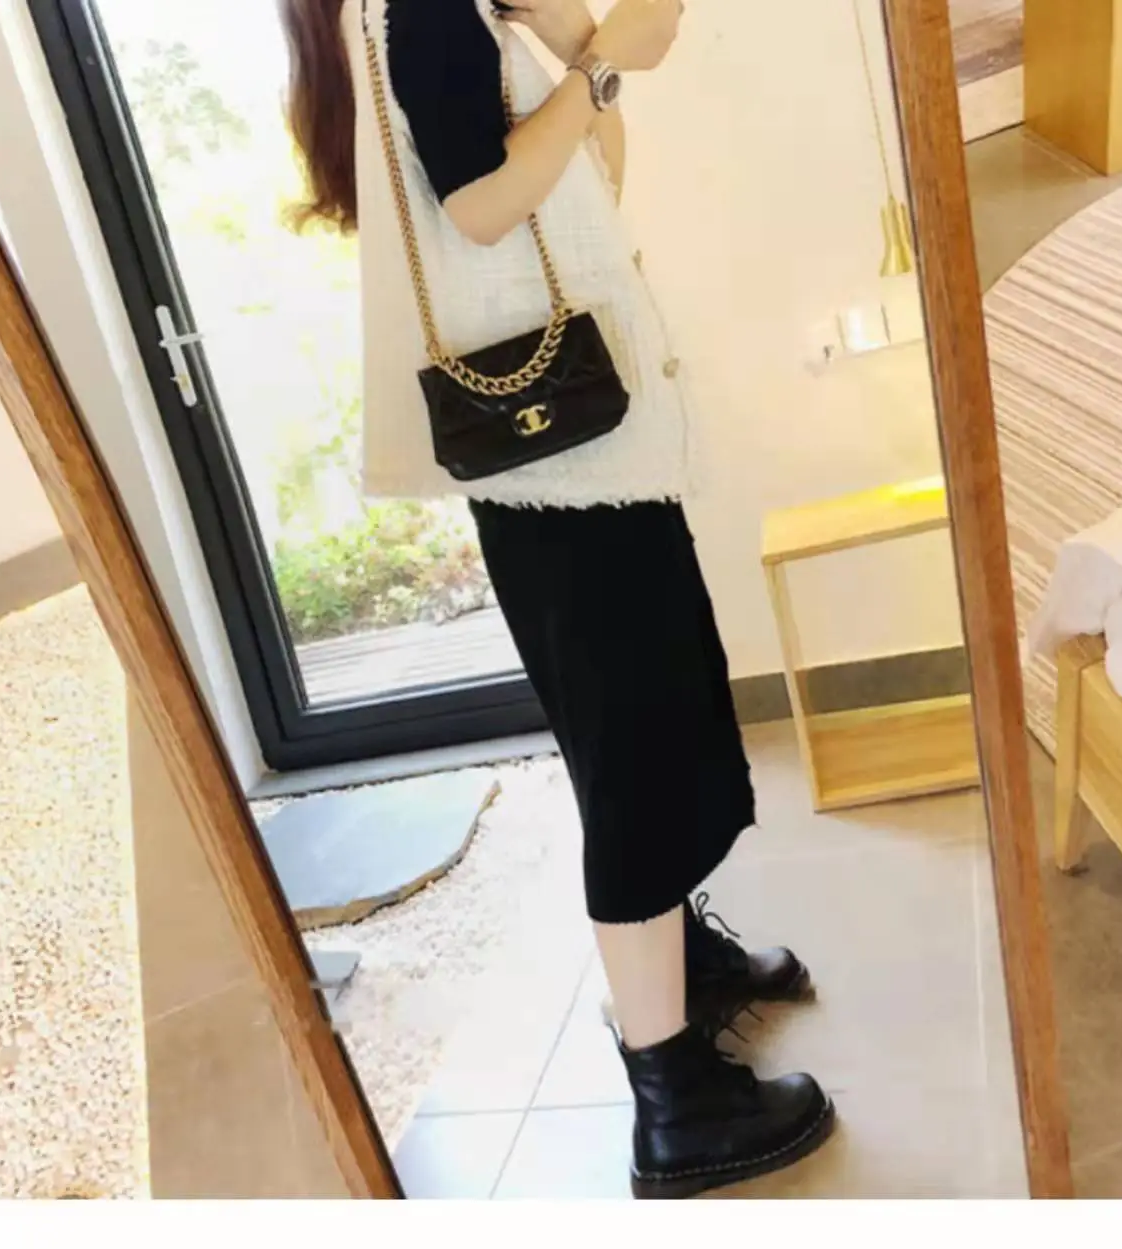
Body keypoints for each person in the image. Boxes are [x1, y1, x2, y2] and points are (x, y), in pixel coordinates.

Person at [280, 0, 835, 1198]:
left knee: (651, 722)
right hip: (561, 467)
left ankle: (679, 969)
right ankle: (673, 1101)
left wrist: (583, 45)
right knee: (632, 753)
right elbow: (481, 207)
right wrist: (595, 65)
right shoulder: (423, 10)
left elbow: (592, 185)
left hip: (583, 453)